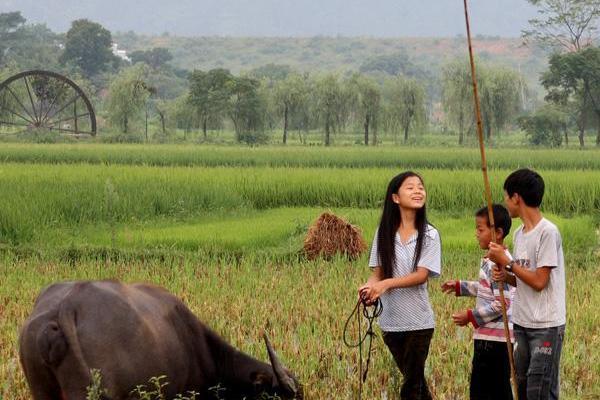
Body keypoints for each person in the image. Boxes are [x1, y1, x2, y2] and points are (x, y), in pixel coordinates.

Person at [359, 171, 441, 400]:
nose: (418, 191)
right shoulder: (383, 233)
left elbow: (421, 275)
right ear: (395, 198)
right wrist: (369, 288)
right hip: (391, 324)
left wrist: (385, 285)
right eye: (410, 187)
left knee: (411, 387)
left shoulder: (430, 234)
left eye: (420, 187)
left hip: (419, 324)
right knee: (417, 386)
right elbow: (377, 274)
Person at [488, 169, 566, 400]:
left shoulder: (548, 233)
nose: (506, 203)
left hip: (546, 325)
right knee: (521, 388)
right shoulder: (520, 234)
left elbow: (540, 282)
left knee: (539, 391)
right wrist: (505, 275)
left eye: (506, 197)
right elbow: (524, 280)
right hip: (522, 323)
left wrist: (509, 263)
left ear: (516, 197)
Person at [442, 204, 515, 400]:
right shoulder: (492, 259)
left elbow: (503, 303)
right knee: (485, 389)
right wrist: (461, 287)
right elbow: (487, 289)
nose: (476, 234)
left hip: (495, 340)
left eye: (480, 229)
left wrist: (470, 316)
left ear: (497, 233)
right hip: (488, 338)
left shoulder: (500, 262)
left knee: (489, 391)